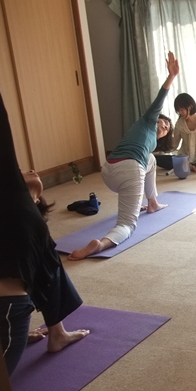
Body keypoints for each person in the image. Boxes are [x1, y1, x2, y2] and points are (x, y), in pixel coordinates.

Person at [0, 28, 89, 375]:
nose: (31, 169)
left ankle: (57, 334)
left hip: (11, 307)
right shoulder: (6, 194)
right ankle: (56, 333)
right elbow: (0, 127)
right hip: (5, 309)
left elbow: (49, 275)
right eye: (24, 169)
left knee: (50, 259)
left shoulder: (36, 231)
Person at [68, 52, 179, 260]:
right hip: (128, 171)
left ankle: (152, 203)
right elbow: (160, 99)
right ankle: (99, 245)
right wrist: (171, 76)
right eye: (163, 122)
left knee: (151, 160)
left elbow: (150, 159)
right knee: (127, 223)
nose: (166, 126)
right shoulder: (147, 120)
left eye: (168, 128)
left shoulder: (150, 140)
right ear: (156, 119)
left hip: (109, 168)